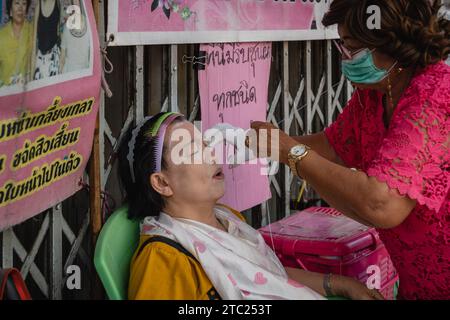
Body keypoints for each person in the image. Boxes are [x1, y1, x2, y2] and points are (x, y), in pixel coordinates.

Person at [251, 0, 449, 300]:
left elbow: (383, 204)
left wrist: (291, 152)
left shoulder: (434, 96)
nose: (344, 58)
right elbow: (333, 147)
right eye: (342, 46)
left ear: (388, 44)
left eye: (352, 48)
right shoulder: (375, 95)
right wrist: (267, 144)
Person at [118, 112, 383, 300]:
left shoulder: (228, 218)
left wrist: (341, 284)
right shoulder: (163, 258)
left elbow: (267, 276)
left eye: (205, 144)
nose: (211, 153)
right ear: (162, 183)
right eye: (192, 151)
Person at [0, 0, 32, 87]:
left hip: (26, 90)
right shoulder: (1, 35)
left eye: (24, 4)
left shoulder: (32, 31)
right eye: (17, 3)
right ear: (10, 9)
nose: (20, 8)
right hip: (5, 91)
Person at [60, 0, 90, 74]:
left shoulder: (89, 24)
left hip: (85, 73)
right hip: (69, 73)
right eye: (73, 2)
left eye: (77, 1)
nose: (75, 4)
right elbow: (62, 56)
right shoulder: (66, 28)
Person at [33, 0, 61, 80]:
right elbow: (34, 37)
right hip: (40, 57)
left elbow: (61, 32)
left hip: (54, 57)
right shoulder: (39, 4)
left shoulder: (58, 3)